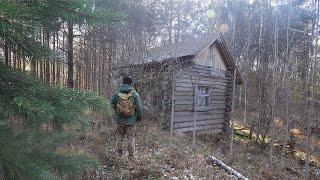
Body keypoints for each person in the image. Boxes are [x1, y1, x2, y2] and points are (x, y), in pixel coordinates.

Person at [111, 76, 142, 160]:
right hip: (131, 121)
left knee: (120, 137)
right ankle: (131, 157)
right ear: (130, 83)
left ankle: (119, 155)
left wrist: (117, 112)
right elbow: (139, 108)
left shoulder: (117, 93)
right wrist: (138, 117)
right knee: (130, 139)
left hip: (120, 121)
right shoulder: (134, 94)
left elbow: (111, 104)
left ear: (123, 82)